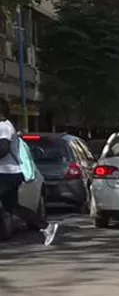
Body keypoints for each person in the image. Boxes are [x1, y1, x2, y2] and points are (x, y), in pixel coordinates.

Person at [0, 100, 56, 245]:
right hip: (9, 173)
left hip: (7, 173)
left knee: (10, 205)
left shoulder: (3, 126)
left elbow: (3, 149)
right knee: (11, 206)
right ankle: (46, 226)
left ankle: (45, 226)